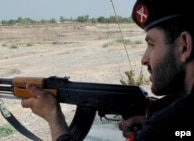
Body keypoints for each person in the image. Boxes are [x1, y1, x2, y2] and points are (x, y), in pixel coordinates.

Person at [21, 0, 194, 140]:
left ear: (184, 46)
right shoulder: (173, 121)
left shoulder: (170, 123)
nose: (144, 59)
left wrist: (54, 119)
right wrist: (152, 118)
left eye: (151, 44)